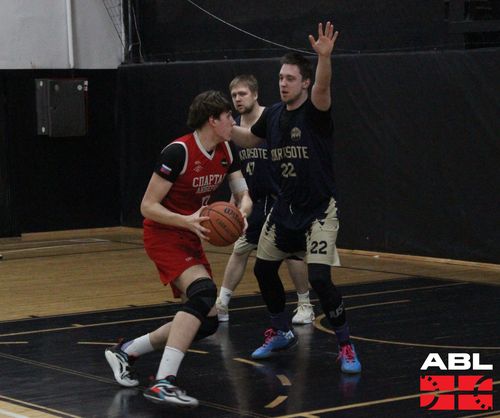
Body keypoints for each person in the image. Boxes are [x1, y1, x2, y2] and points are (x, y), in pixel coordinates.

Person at [105, 90, 252, 407]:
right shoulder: (178, 152)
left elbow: (243, 194)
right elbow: (147, 206)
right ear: (212, 120)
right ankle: (163, 382)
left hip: (190, 233)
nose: (233, 121)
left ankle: (128, 350)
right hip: (164, 232)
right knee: (203, 294)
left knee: (207, 320)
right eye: (228, 116)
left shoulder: (227, 150)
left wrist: (242, 213)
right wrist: (185, 220)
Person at [230, 22, 361, 373]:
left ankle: (346, 345)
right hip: (285, 209)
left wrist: (324, 58)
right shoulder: (272, 115)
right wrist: (226, 129)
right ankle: (280, 331)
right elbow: (250, 139)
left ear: (304, 82)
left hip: (319, 209)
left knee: (319, 279)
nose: (283, 83)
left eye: (290, 78)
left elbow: (323, 86)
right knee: (263, 269)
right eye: (280, 78)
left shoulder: (315, 110)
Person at [215, 74, 315, 325]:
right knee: (240, 249)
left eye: (242, 94)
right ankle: (221, 304)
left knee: (291, 254)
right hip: (254, 200)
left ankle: (305, 304)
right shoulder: (234, 129)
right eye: (234, 95)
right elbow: (235, 171)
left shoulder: (272, 119)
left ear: (255, 94)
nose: (238, 99)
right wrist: (234, 199)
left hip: (280, 197)